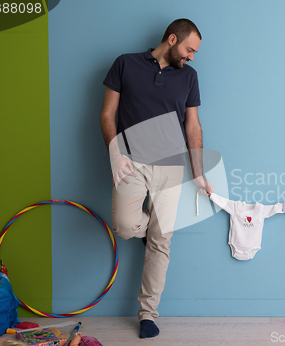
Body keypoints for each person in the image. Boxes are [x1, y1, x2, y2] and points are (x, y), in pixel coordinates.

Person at [100, 18, 213, 339]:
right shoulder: (125, 64)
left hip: (170, 166)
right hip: (130, 161)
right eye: (190, 49)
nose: (192, 57)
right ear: (173, 39)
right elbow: (107, 113)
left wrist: (199, 173)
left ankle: (148, 313)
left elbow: (193, 126)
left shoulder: (189, 77)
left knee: (162, 240)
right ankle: (150, 231)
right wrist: (115, 154)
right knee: (124, 226)